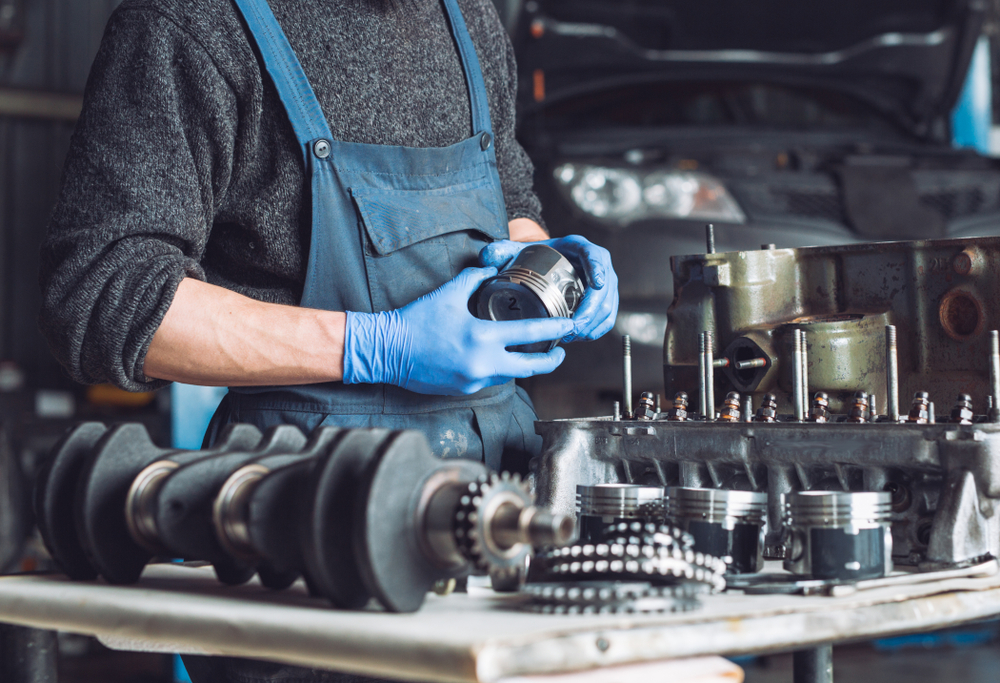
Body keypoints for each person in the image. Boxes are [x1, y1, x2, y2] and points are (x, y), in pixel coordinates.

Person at [40, 0, 617, 679]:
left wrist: (551, 268)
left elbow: (511, 202)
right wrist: (379, 344)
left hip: (500, 518)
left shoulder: (468, 16)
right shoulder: (192, 22)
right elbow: (103, 295)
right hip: (306, 533)